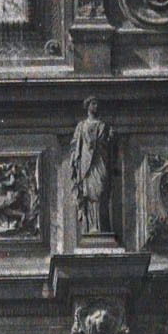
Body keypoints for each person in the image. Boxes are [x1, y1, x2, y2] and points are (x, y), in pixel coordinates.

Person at [68, 97, 112, 238]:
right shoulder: (81, 126)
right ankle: (91, 226)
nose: (96, 106)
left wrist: (109, 139)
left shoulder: (103, 126)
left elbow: (107, 146)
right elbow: (75, 145)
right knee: (88, 194)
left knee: (100, 191)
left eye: (97, 104)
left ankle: (100, 225)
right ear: (87, 106)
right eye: (93, 104)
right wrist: (74, 160)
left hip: (99, 163)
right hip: (85, 165)